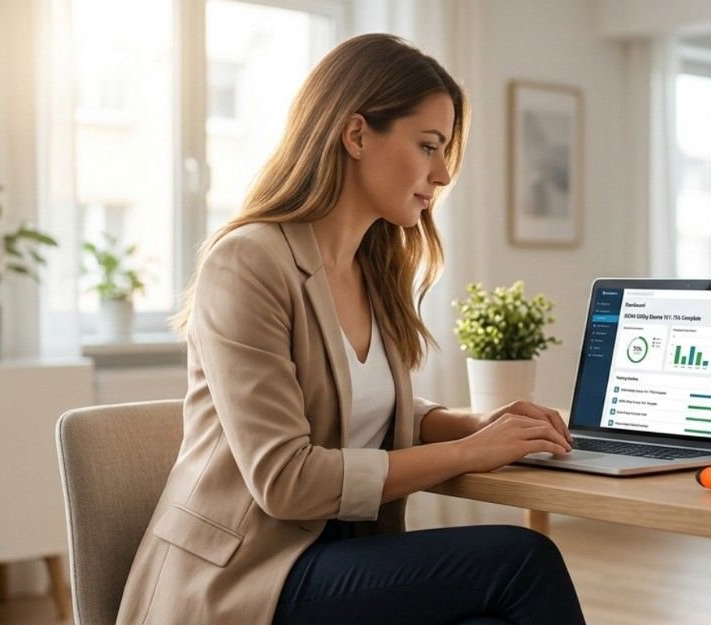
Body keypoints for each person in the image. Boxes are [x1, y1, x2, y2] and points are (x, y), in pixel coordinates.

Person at [114, 33, 588, 625]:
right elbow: (286, 480)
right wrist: (469, 452)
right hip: (242, 578)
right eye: (428, 146)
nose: (443, 173)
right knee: (521, 562)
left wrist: (475, 424)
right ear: (357, 134)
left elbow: (359, 406)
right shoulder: (248, 262)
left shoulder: (374, 267)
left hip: (335, 555)